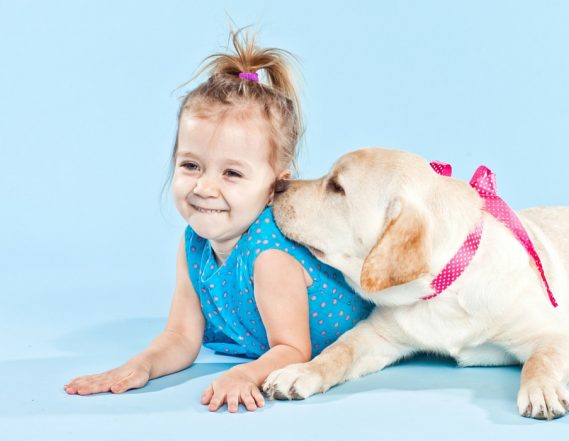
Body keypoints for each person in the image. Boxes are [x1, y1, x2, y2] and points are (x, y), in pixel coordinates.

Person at [64, 29, 372, 412]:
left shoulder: (270, 255)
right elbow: (180, 335)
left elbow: (292, 349)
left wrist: (246, 375)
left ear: (277, 185)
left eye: (232, 174)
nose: (205, 188)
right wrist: (140, 365)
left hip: (328, 337)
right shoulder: (192, 241)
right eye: (191, 165)